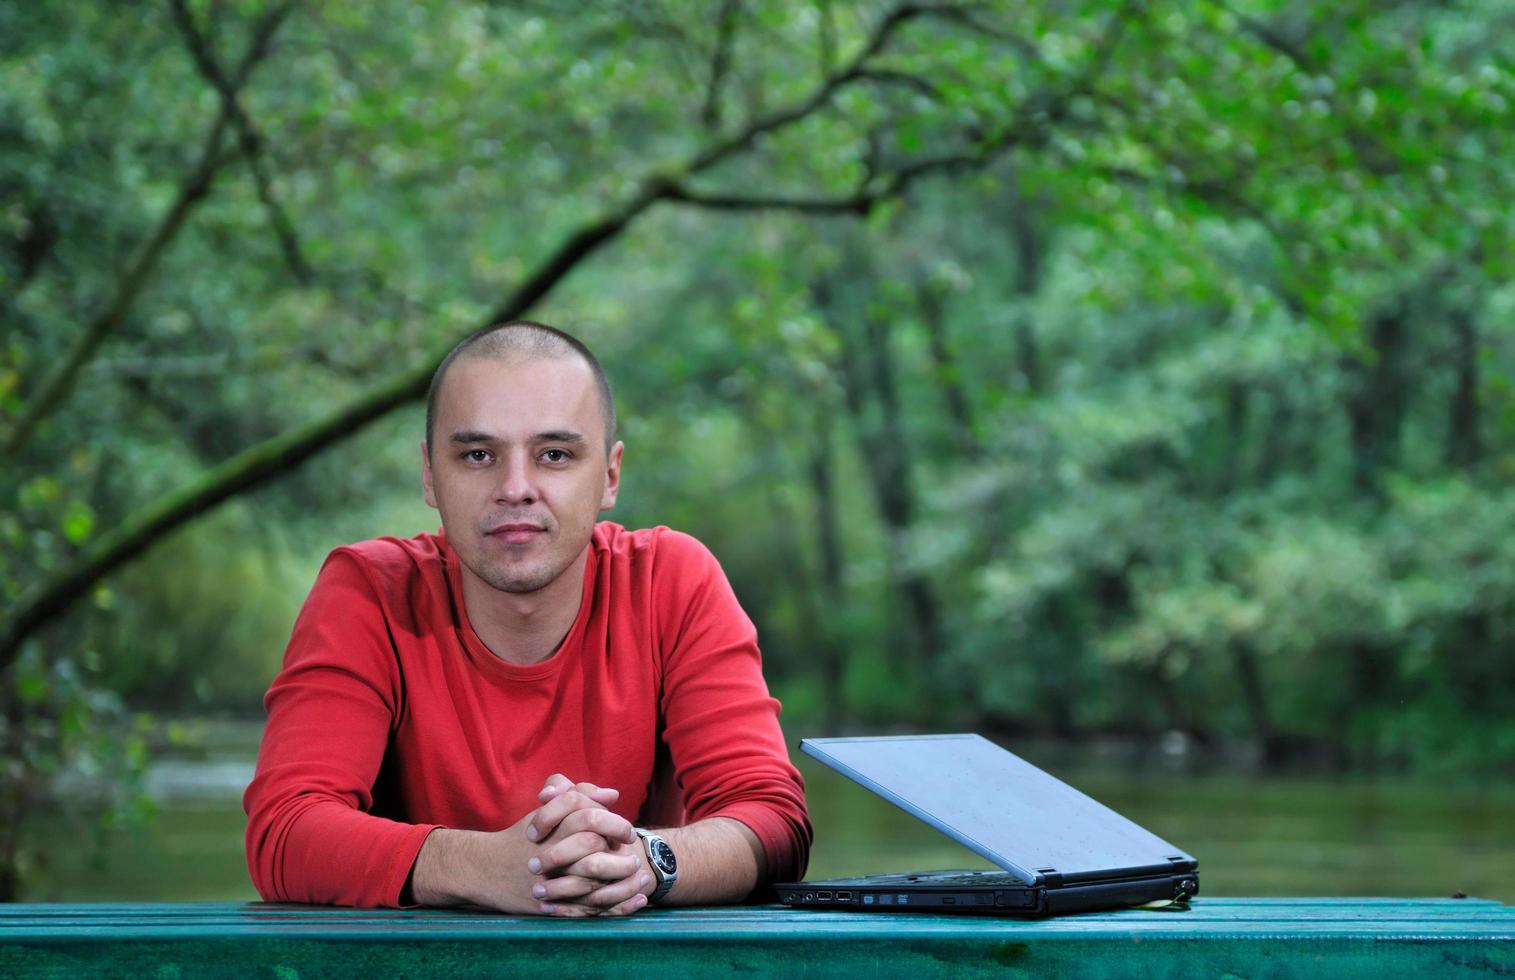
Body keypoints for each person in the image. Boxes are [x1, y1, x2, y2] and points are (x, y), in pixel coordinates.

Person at [244, 321, 811, 916]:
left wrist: (643, 861)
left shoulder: (671, 582)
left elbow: (772, 821)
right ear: (430, 474)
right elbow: (284, 831)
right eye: (478, 455)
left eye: (555, 455)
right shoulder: (369, 591)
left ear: (610, 475)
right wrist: (484, 865)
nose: (515, 488)